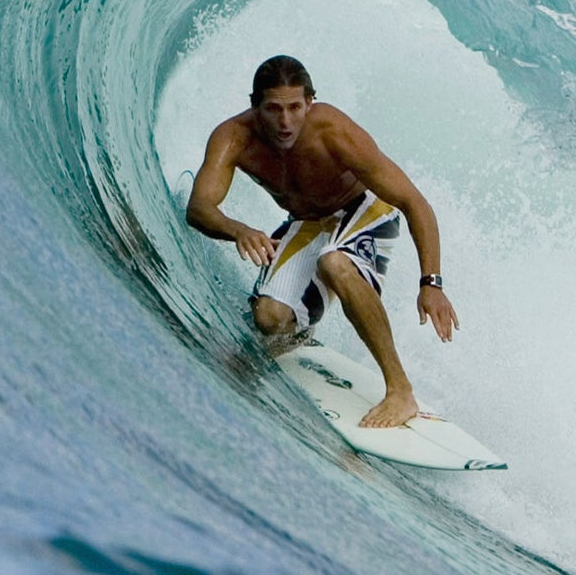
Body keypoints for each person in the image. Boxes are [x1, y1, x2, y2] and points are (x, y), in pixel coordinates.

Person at [185, 55, 459, 428]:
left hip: (365, 211)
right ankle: (298, 328)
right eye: (274, 109)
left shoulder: (332, 131)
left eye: (295, 107)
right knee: (268, 319)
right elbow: (199, 207)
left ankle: (400, 390)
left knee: (335, 263)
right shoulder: (233, 137)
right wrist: (238, 229)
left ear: (310, 102)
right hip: (307, 223)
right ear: (254, 105)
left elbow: (414, 201)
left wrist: (432, 283)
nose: (285, 122)